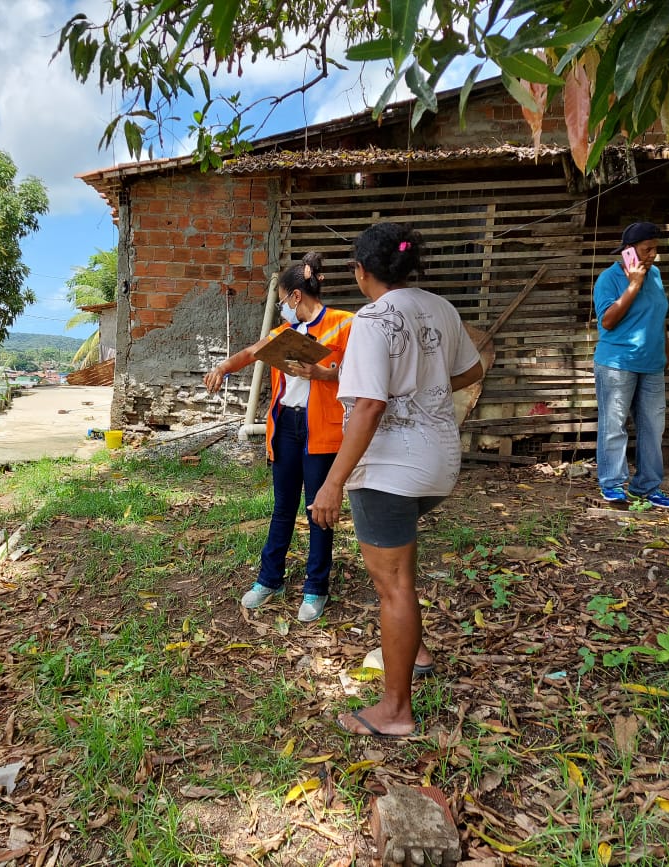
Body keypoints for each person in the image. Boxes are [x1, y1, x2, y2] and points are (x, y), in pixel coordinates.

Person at [309, 222, 483, 739]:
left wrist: (332, 482)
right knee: (400, 573)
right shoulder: (441, 308)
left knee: (394, 586)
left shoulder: (372, 318)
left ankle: (395, 710)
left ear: (361, 271)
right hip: (438, 463)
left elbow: (369, 405)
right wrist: (426, 385)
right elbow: (472, 371)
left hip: (388, 469)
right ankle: (417, 652)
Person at [203, 253, 354, 622]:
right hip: (285, 424)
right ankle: (269, 579)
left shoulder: (345, 324)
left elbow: (360, 371)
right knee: (283, 507)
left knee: (318, 511)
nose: (282, 306)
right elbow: (251, 352)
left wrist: (323, 373)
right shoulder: (284, 334)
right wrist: (222, 367)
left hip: (321, 429)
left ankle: (316, 587)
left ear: (296, 296)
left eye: (284, 299)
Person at [593, 221, 669, 508]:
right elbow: (608, 320)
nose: (653, 254)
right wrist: (633, 285)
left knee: (653, 427)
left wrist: (666, 350)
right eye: (646, 249)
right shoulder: (608, 279)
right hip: (617, 364)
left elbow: (658, 313)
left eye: (655, 249)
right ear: (628, 251)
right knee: (614, 425)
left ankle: (647, 487)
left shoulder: (656, 274)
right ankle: (612, 484)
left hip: (652, 364)